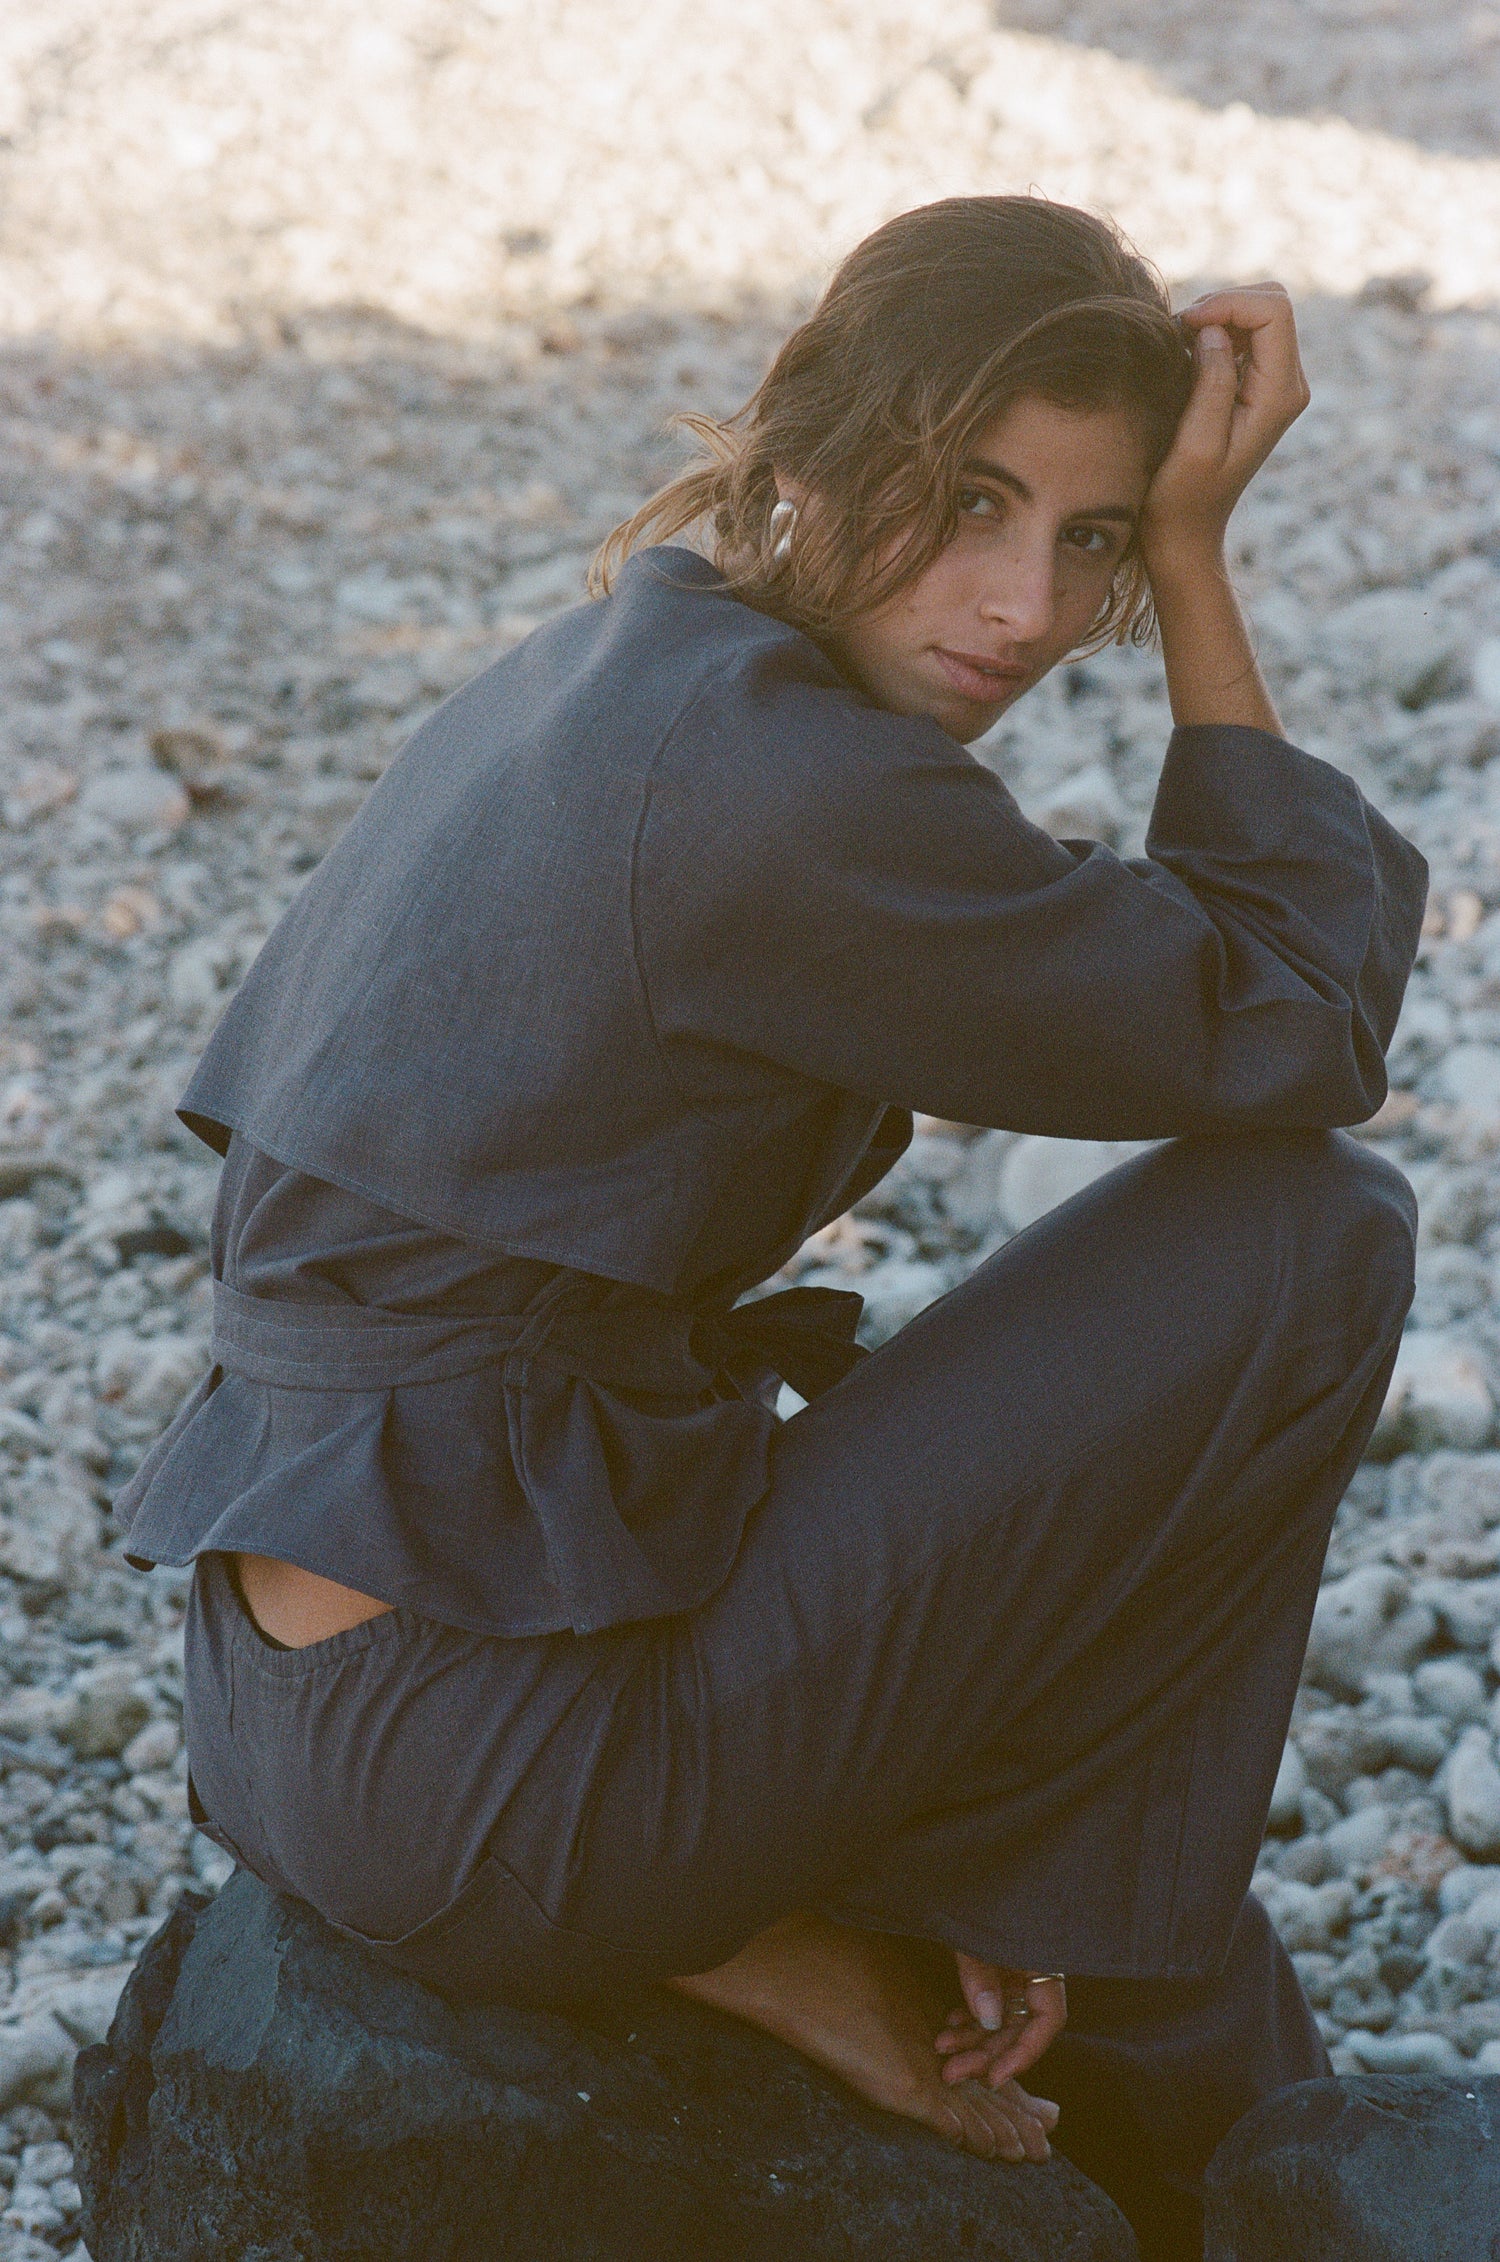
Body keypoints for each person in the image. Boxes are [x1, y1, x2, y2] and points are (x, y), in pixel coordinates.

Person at [115, 196, 1424, 2260]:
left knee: (1142, 1839)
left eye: (1089, 538)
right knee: (1308, 1237)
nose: (1019, 602)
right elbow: (1291, 1020)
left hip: (305, 1705)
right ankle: (968, 1951)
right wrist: (1198, 561)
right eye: (971, 500)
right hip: (487, 1764)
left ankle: (845, 1937)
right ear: (816, 447)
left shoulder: (636, 662)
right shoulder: (780, 795)